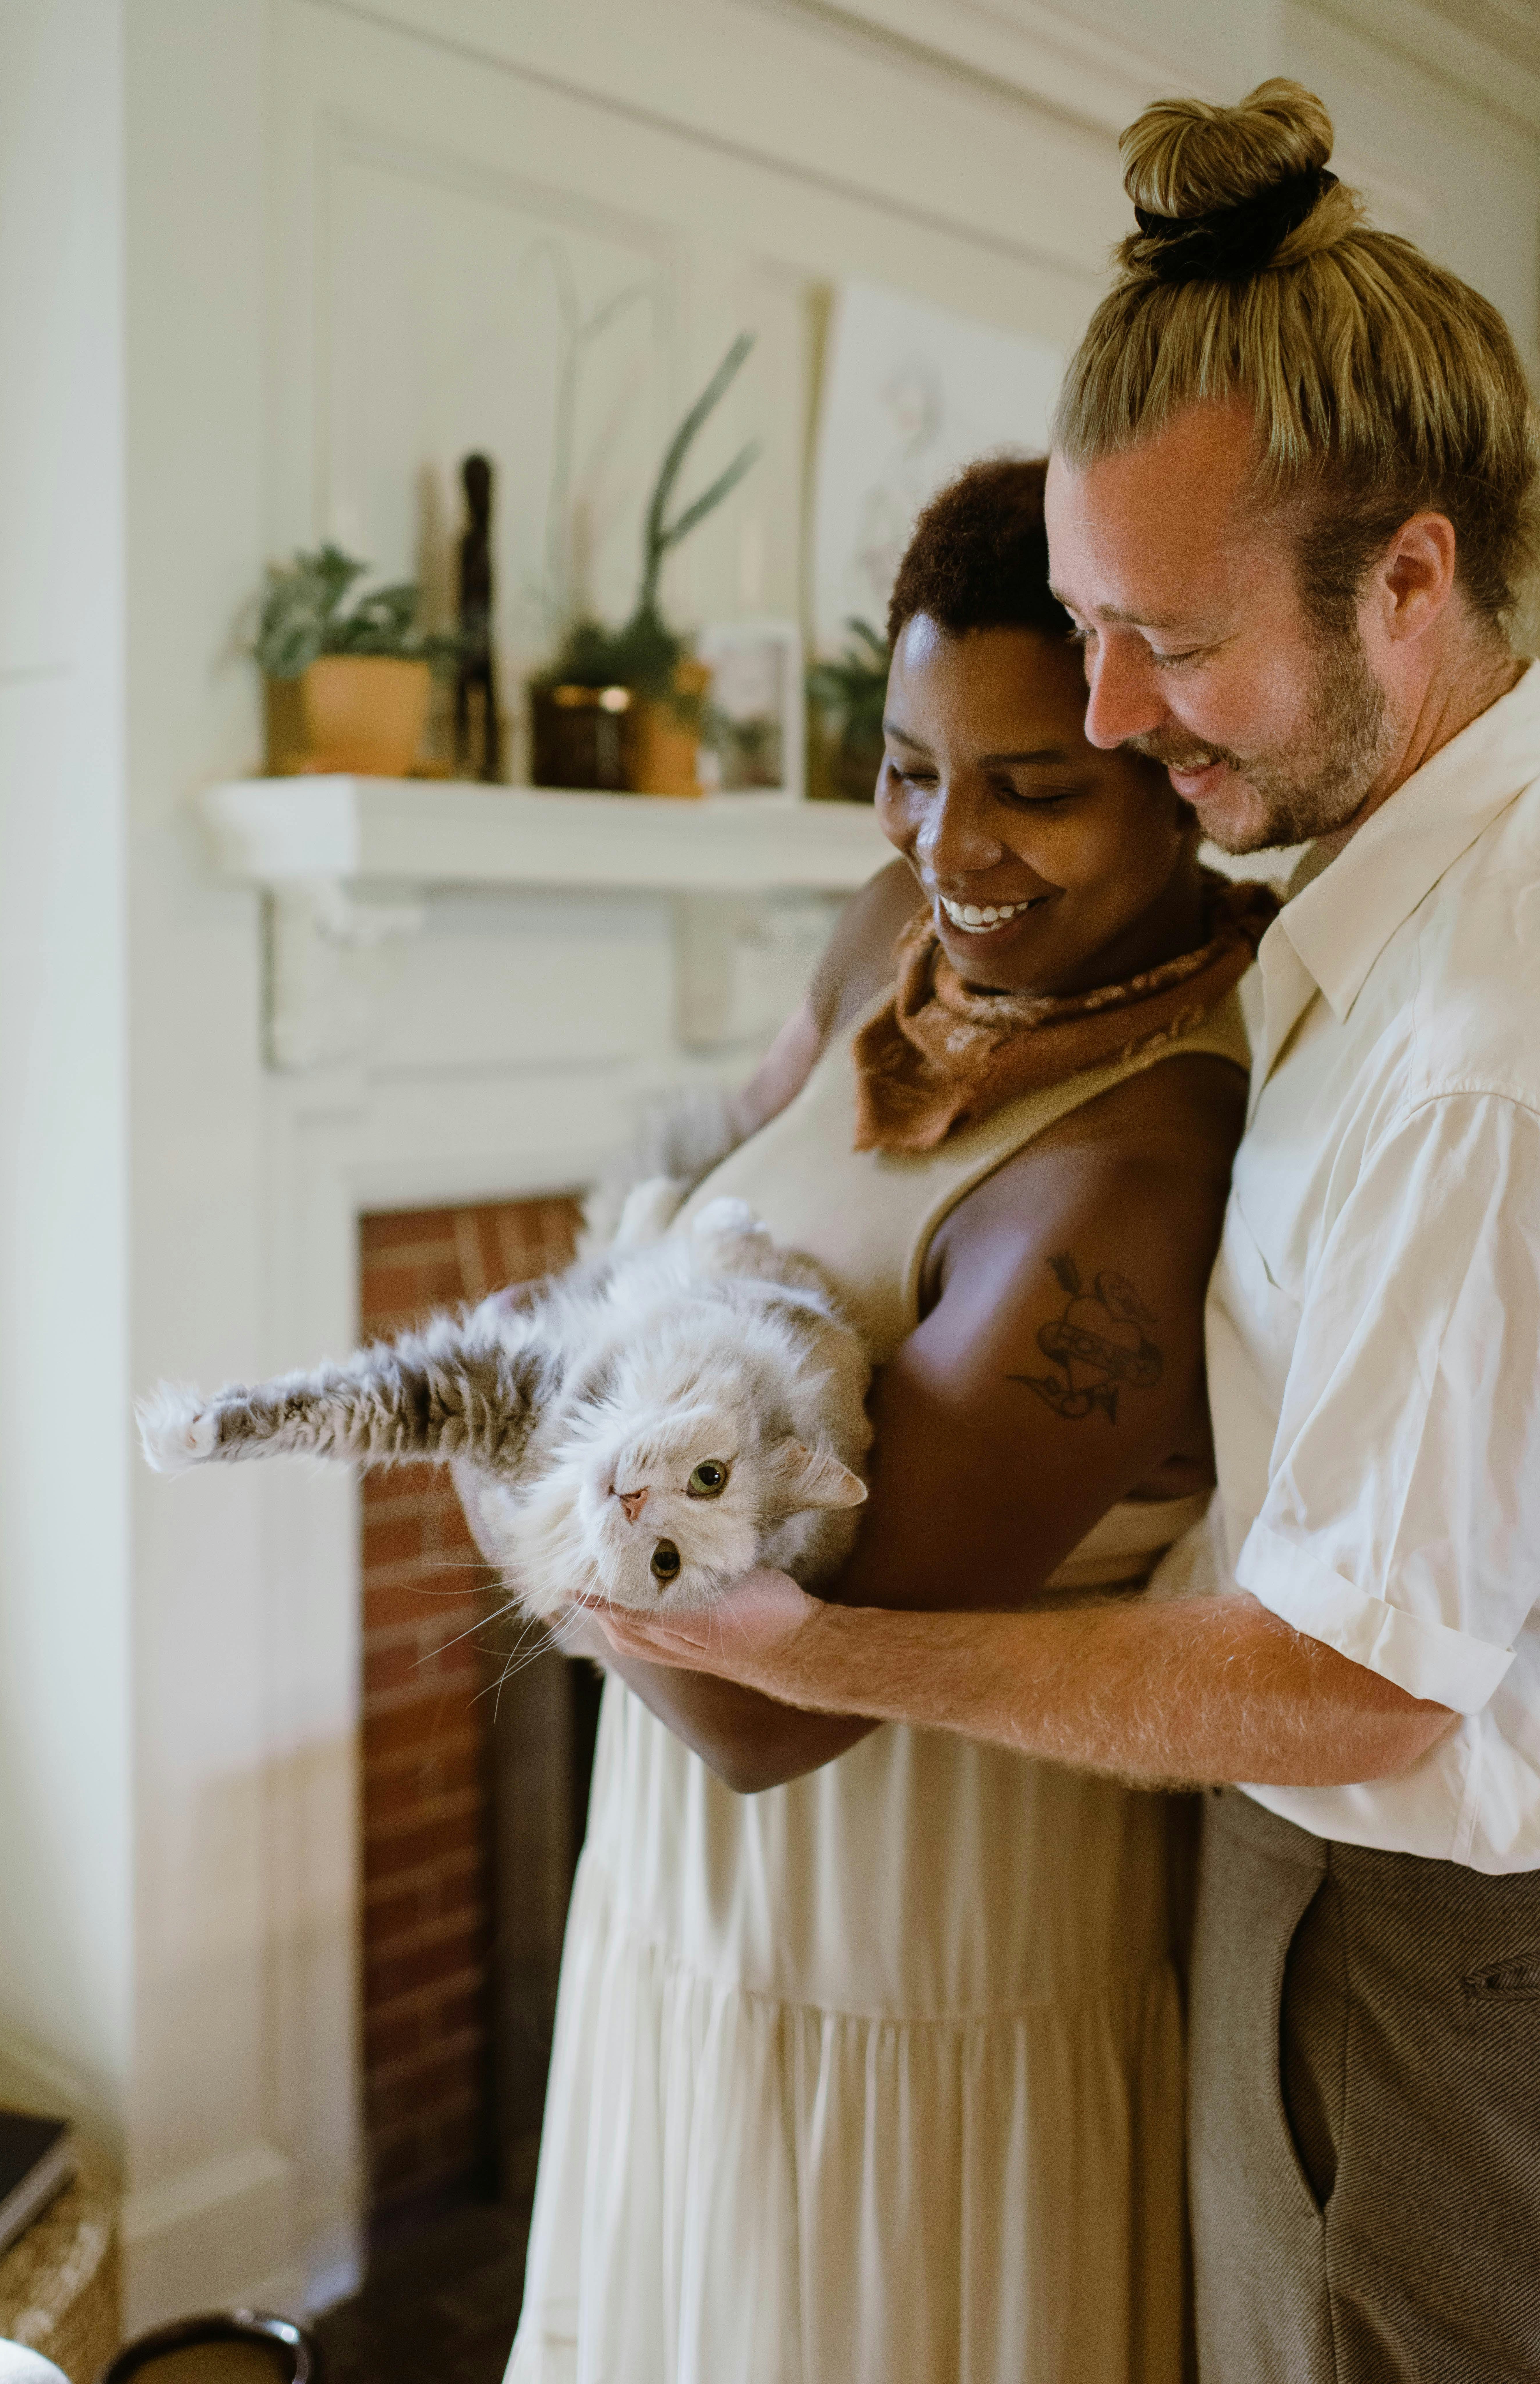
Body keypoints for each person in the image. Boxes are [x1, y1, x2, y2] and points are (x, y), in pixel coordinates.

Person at [601, 78, 1540, 2384]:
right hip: (1281, 1890)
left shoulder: (1479, 1047)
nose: (1115, 718)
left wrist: (810, 1653)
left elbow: (1356, 1668)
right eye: (1087, 639)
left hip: (1410, 1953)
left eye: (1168, 648)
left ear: (1405, 582)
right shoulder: (1359, 919)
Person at [486, 456, 1274, 2384]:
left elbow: (774, 1707)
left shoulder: (1130, 1178)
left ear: (1172, 769)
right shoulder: (890, 944)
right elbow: (676, 1241)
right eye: (913, 765)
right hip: (691, 1906)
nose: (953, 844)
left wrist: (503, 1448)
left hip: (916, 1960)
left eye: (1034, 786)